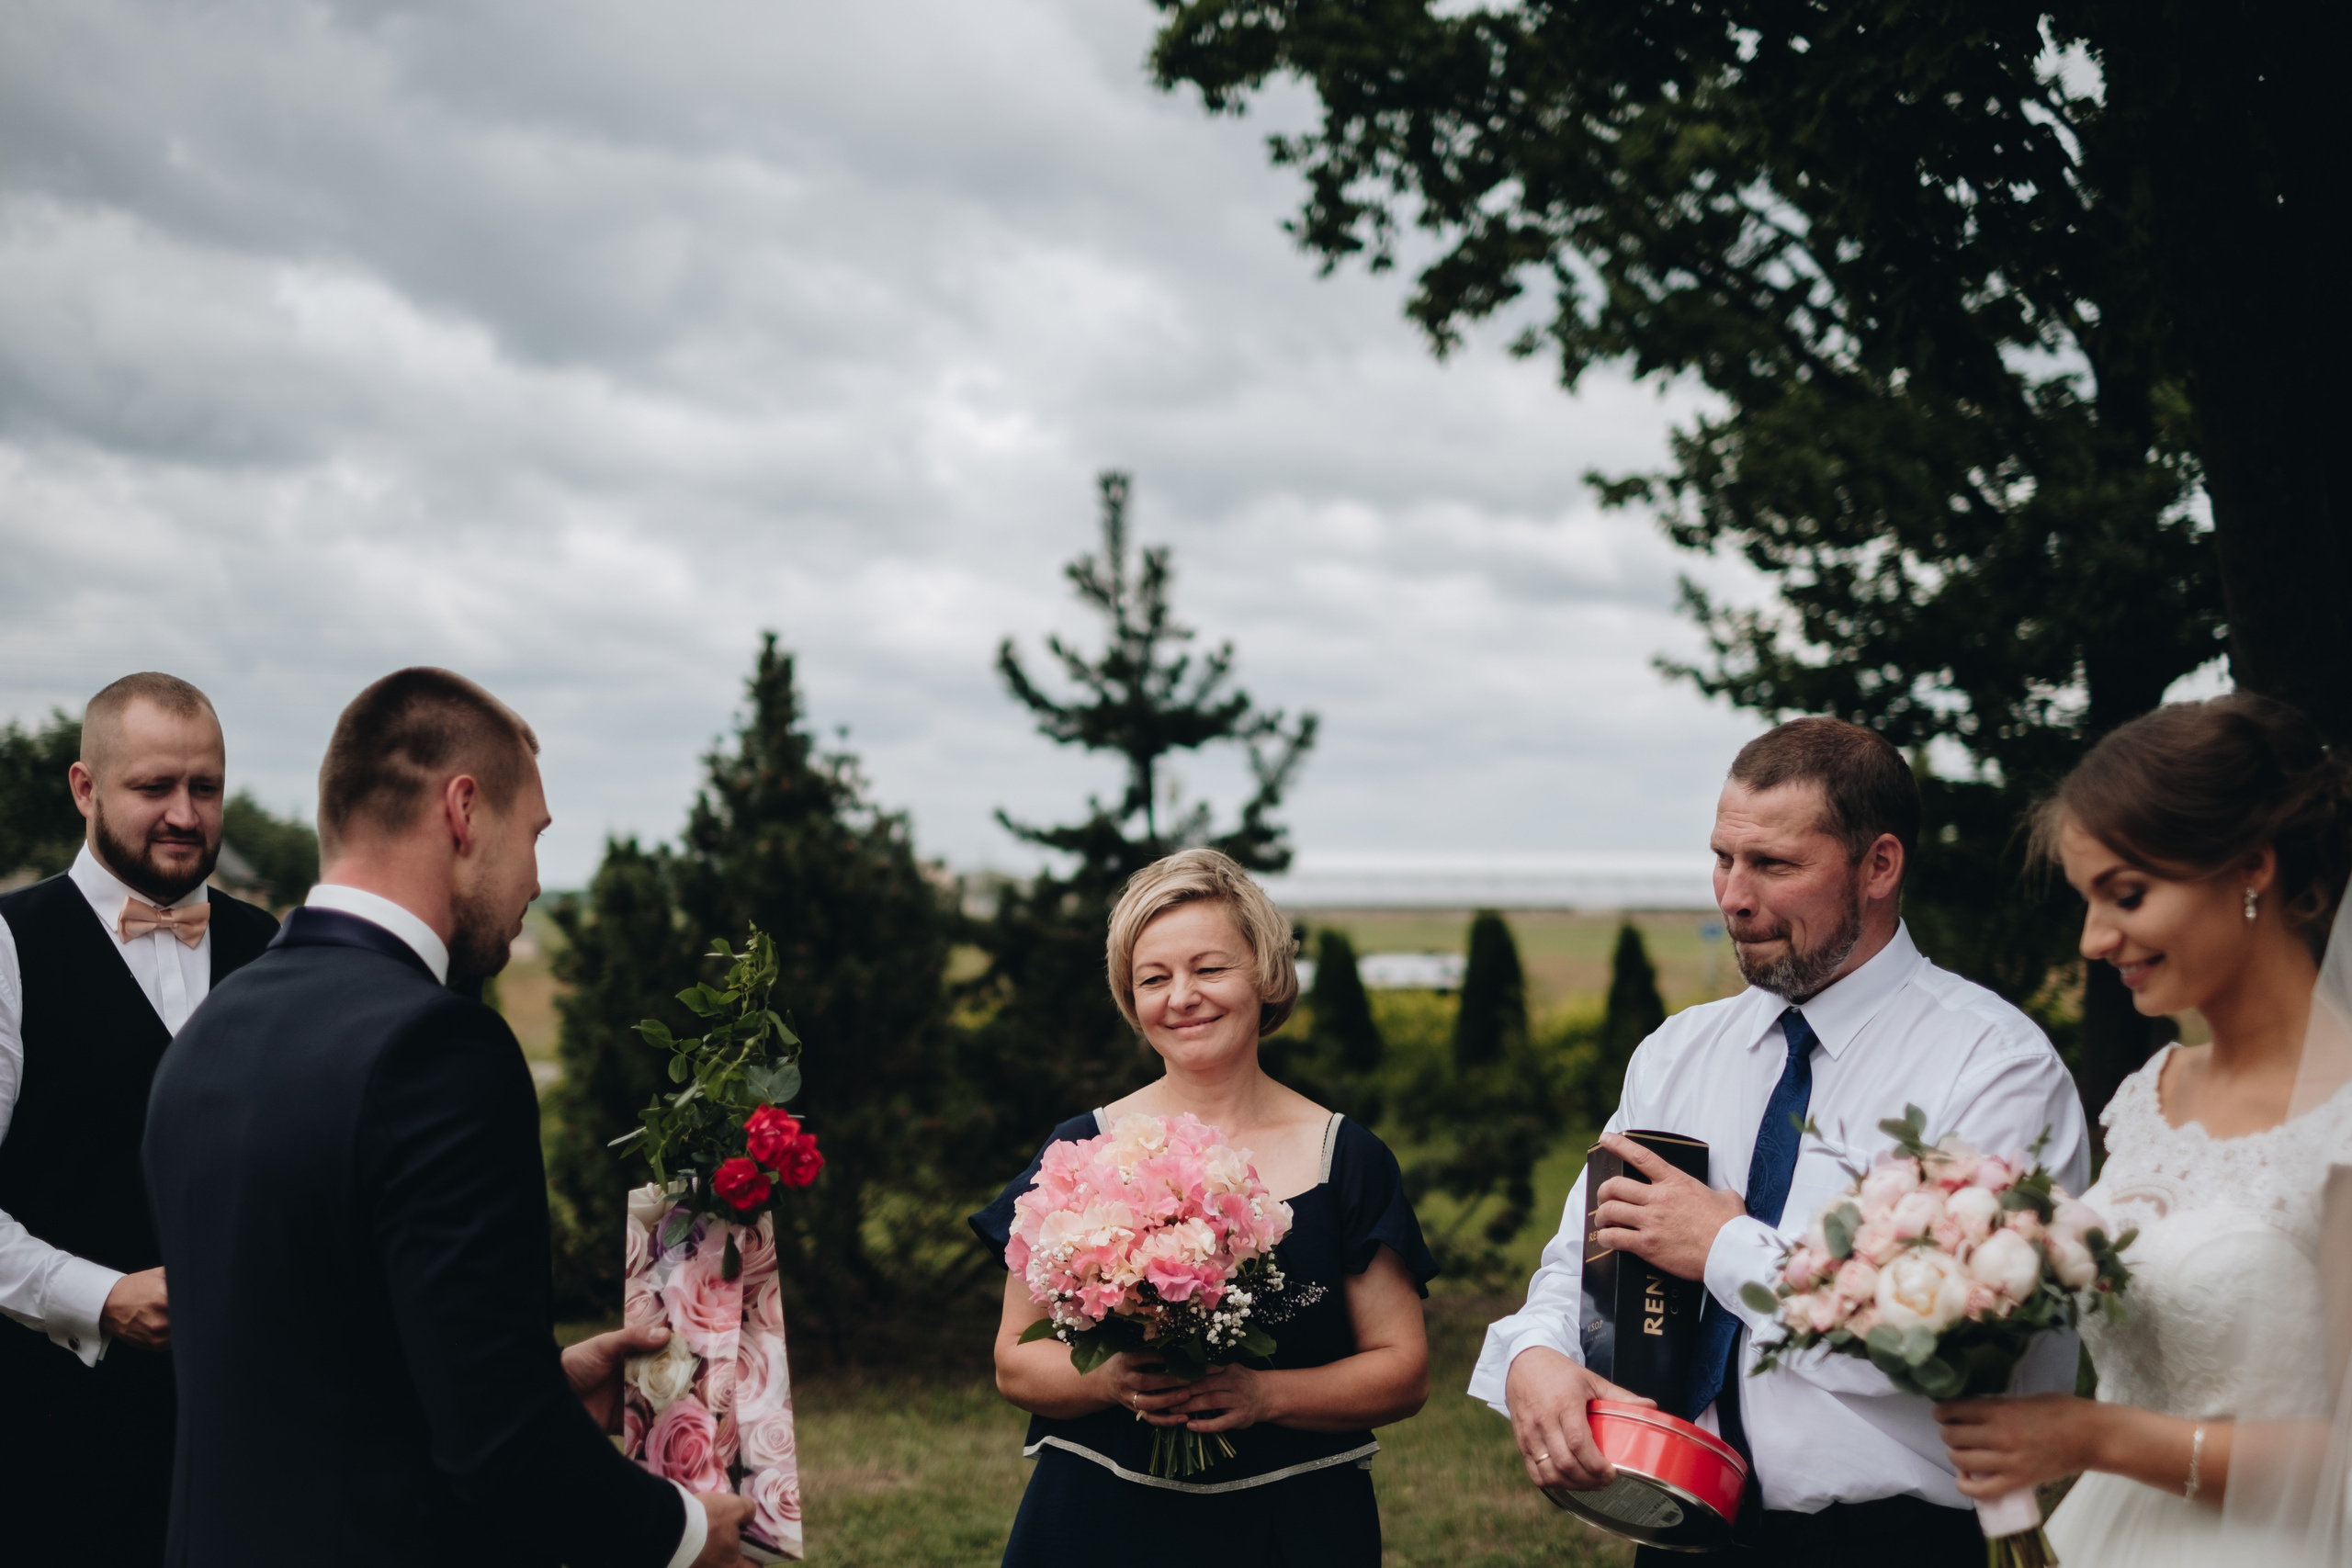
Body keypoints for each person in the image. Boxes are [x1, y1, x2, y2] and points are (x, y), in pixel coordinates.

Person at [143, 669, 752, 1567]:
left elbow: (307, 1361)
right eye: (534, 835)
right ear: (464, 811)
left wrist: (539, 1380)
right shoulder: (436, 1048)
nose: (536, 880)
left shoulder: (210, 1031)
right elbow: (499, 1452)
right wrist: (686, 1534)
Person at [1472, 716, 2089, 1565]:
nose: (1733, 895)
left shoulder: (1994, 1066)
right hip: (1680, 1529)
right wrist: (1536, 1350)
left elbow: (1972, 1350)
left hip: (1891, 1540)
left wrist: (1725, 1246)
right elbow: (1582, 1261)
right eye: (1723, 857)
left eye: (1773, 864)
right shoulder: (1677, 1052)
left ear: (1879, 865)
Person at [1932, 694, 2352, 1566]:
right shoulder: (2149, 1095)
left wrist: (2099, 1436)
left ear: (2251, 867)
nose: (2093, 939)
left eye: (2127, 894)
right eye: (2087, 900)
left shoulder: (2342, 1116)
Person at [972, 848, 1436, 1567]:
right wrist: (1110, 1378)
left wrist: (1263, 1395)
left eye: (1209, 968)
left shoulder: (1345, 1157)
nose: (1182, 996)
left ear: (1265, 974)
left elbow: (1403, 1370)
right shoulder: (1080, 1149)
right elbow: (1015, 1360)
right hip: (1097, 1523)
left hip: (1292, 1528)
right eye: (1154, 978)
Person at [0, 672, 280, 1558]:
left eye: (206, 787)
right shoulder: (9, 946)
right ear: (85, 787)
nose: (185, 815)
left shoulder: (274, 951)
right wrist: (99, 1296)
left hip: (252, 1451)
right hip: (52, 1446)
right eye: (155, 786)